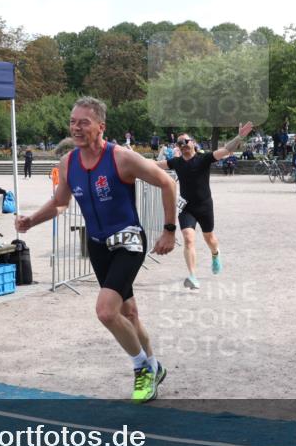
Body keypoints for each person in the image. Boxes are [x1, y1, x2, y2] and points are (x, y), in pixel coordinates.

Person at [16, 97, 177, 403]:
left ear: (101, 126)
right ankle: (155, 367)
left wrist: (169, 230)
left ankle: (141, 369)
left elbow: (167, 183)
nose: (76, 128)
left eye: (83, 122)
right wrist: (31, 220)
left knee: (106, 311)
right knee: (129, 313)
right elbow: (61, 203)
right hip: (98, 245)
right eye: (73, 122)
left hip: (128, 242)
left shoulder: (121, 158)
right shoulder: (68, 164)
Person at [155, 122, 254, 289]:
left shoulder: (204, 158)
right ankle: (193, 276)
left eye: (186, 141)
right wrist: (131, 157)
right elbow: (154, 165)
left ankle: (215, 254)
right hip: (186, 208)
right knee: (188, 239)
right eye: (179, 143)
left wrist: (240, 137)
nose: (183, 145)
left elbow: (226, 150)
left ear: (193, 143)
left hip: (205, 206)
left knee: (210, 239)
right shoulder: (176, 162)